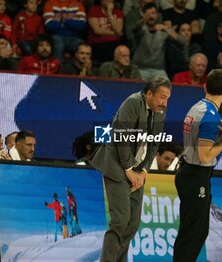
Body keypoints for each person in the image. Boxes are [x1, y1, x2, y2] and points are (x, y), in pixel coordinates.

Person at [91, 77, 172, 261]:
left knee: (133, 224)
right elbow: (121, 136)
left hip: (136, 169)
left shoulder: (160, 111)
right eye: (162, 97)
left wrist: (143, 172)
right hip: (116, 165)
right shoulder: (133, 102)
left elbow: (154, 143)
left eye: (167, 98)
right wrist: (128, 169)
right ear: (149, 93)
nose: (164, 103)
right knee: (120, 221)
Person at [173, 69, 222, 262]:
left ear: (205, 86)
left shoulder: (196, 107)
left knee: (197, 232)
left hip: (190, 173)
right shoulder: (210, 116)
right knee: (192, 234)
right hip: (196, 175)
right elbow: (205, 156)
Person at [132, 3, 182, 81]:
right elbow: (136, 28)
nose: (151, 16)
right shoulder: (141, 29)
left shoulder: (162, 30)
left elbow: (182, 42)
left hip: (158, 70)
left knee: (167, 89)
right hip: (140, 69)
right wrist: (143, 20)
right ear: (144, 15)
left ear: (157, 15)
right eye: (148, 14)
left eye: (153, 13)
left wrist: (166, 29)